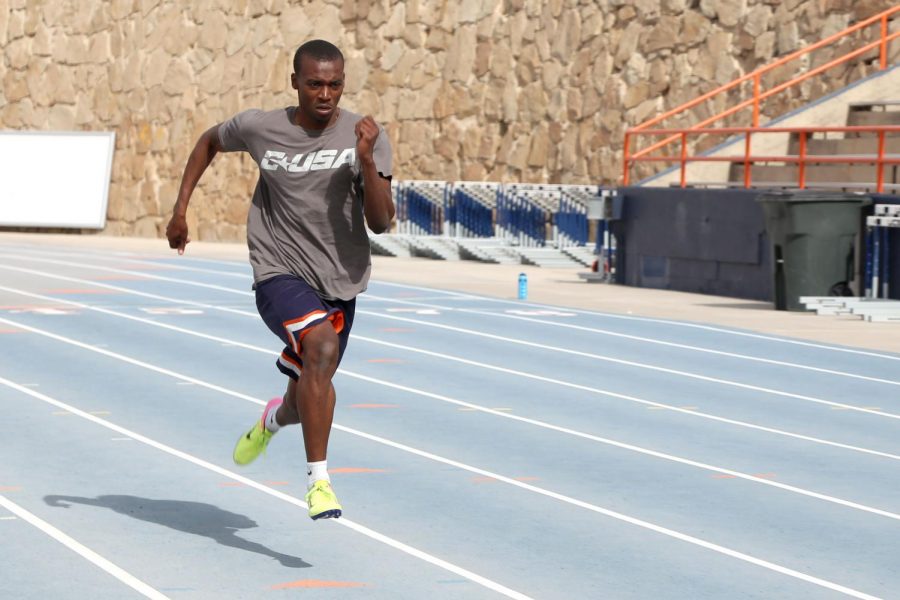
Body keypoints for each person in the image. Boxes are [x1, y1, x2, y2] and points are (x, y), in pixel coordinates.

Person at [165, 39, 394, 520]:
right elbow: (209, 141)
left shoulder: (366, 135)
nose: (325, 94)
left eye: (334, 84)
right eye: (315, 83)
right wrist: (180, 210)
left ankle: (273, 419)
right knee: (322, 348)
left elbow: (380, 222)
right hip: (278, 269)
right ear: (295, 83)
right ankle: (320, 484)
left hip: (340, 279)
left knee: (306, 391)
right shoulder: (259, 126)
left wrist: (367, 160)